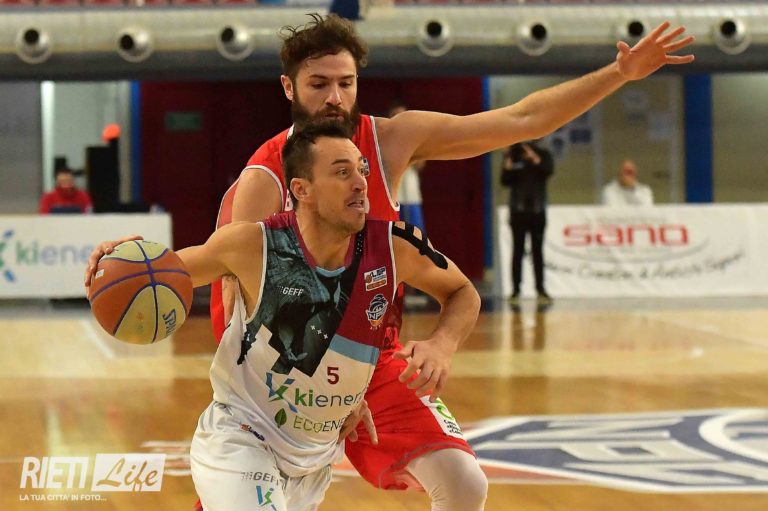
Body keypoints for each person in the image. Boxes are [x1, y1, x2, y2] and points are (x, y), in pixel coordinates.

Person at [210, 13, 693, 509]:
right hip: (282, 377)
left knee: (464, 482)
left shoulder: (391, 141)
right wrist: (320, 394)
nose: (334, 96)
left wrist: (618, 74)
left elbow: (523, 119)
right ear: (289, 87)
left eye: (346, 82)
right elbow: (237, 315)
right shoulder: (265, 179)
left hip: (373, 360)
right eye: (319, 84)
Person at [84, 123, 481, 511]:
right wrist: (127, 262)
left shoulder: (396, 246)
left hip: (314, 457)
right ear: (301, 189)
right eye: (342, 173)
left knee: (466, 485)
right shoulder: (252, 245)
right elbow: (165, 273)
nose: (361, 183)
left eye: (362, 169)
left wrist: (442, 344)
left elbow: (462, 291)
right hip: (242, 438)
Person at [500, 141, 554, 303]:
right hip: (518, 211)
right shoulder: (514, 156)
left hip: (537, 211)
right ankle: (515, 290)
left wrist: (533, 157)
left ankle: (540, 289)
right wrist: (507, 159)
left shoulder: (543, 155)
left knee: (538, 252)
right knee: (517, 251)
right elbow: (505, 181)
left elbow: (547, 171)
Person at [388, 100, 425, 231]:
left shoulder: (413, 138)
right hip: (394, 198)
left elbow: (420, 164)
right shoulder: (385, 140)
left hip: (411, 196)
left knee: (417, 235)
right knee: (395, 235)